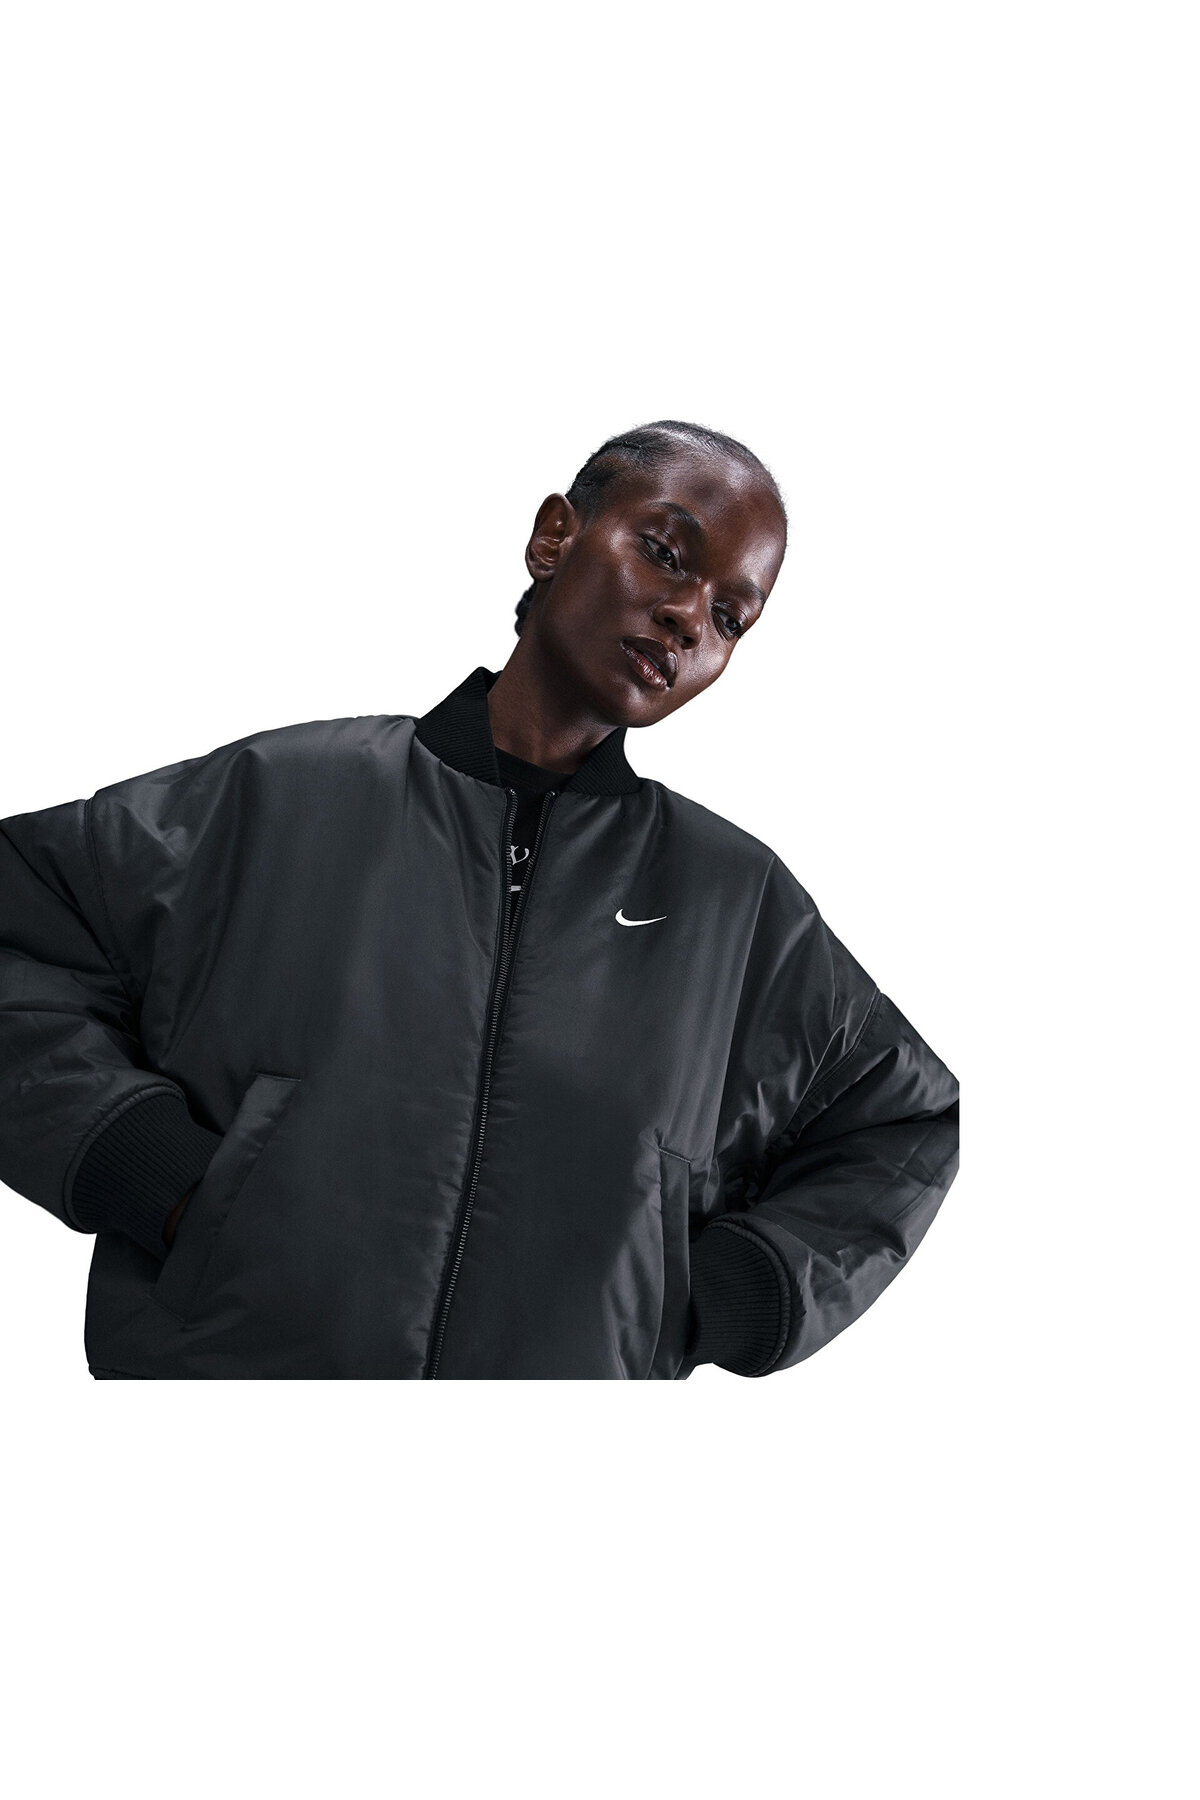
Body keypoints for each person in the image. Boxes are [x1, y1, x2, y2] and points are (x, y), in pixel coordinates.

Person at [0, 418, 959, 1380]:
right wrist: (140, 1161)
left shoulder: (735, 906)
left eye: (730, 617)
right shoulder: (282, 796)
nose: (687, 617)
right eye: (666, 555)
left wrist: (729, 1290)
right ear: (554, 537)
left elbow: (904, 1120)